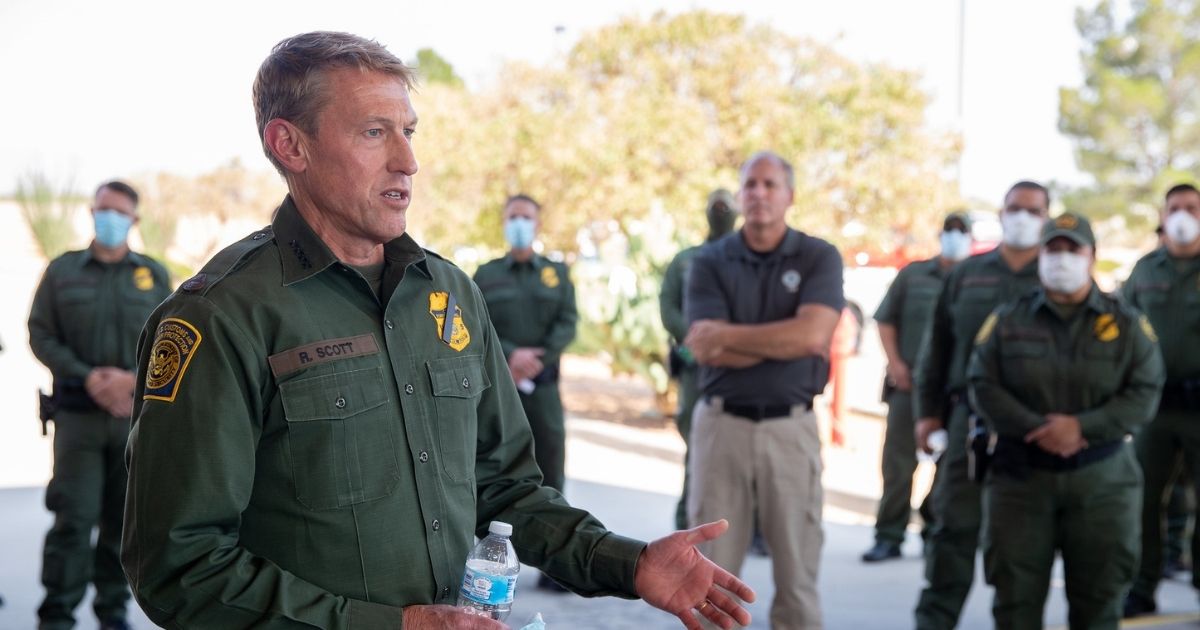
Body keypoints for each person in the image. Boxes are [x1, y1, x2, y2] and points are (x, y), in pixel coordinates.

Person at [120, 31, 754, 630]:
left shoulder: (449, 296)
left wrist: (630, 563)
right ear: (291, 145)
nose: (408, 161)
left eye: (409, 131)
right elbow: (180, 567)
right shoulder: (221, 316)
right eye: (374, 133)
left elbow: (505, 486)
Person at [969, 212, 1164, 630]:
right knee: (1014, 605)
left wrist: (1081, 427)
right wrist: (1036, 428)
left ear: (1091, 256)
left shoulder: (1127, 323)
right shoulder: (1008, 320)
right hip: (1021, 481)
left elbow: (1146, 390)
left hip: (1103, 483)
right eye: (1052, 249)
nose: (1061, 259)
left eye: (1071, 249)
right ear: (1039, 256)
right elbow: (981, 383)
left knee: (1099, 605)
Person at [684, 150, 843, 629]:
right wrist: (786, 339)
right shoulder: (709, 260)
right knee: (709, 581)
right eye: (750, 184)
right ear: (739, 195)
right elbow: (703, 349)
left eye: (770, 184)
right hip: (721, 427)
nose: (759, 193)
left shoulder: (819, 256)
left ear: (789, 195)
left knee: (797, 579)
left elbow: (814, 335)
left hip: (790, 430)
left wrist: (730, 336)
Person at [28, 180, 171, 630]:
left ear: (134, 220)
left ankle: (113, 615)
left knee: (121, 524)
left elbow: (169, 340)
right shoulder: (62, 271)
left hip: (133, 419)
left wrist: (131, 381)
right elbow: (40, 333)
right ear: (92, 213)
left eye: (119, 212)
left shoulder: (153, 274)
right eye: (102, 210)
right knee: (73, 519)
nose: (108, 218)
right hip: (78, 419)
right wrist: (89, 377)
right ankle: (57, 617)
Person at [912, 181, 1050, 629]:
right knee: (952, 530)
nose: (1022, 217)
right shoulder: (967, 274)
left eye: (1033, 210)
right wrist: (926, 413)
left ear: (1046, 217)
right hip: (966, 420)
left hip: (1030, 428)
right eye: (1015, 208)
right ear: (1002, 212)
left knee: (1018, 545)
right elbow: (937, 349)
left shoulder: (1058, 275)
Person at [473, 194, 577, 591]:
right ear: (503, 222)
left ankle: (557, 564)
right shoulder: (486, 273)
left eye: (526, 217)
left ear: (537, 224)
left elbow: (568, 322)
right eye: (513, 216)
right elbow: (474, 322)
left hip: (544, 389)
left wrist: (538, 357)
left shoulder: (555, 274)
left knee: (551, 469)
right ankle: (486, 560)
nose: (519, 222)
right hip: (499, 389)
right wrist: (511, 354)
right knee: (492, 466)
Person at [861, 211, 972, 563]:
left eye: (961, 231)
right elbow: (885, 319)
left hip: (953, 393)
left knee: (951, 466)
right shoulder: (914, 275)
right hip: (909, 386)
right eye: (949, 230)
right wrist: (895, 363)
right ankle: (888, 535)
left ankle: (933, 526)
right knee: (897, 465)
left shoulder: (976, 279)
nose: (954, 236)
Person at [1123, 182, 1200, 617]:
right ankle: (1141, 585)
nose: (1183, 214)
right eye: (1175, 207)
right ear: (1164, 215)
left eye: (1192, 207)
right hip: (1154, 408)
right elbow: (1124, 329)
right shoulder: (1145, 270)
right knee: (1143, 499)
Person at [659, 189, 738, 532]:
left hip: (740, 368)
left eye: (727, 207)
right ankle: (687, 523)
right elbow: (668, 306)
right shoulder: (685, 260)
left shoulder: (750, 259)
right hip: (696, 369)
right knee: (697, 445)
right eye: (715, 206)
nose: (720, 211)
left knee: (745, 447)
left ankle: (750, 529)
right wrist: (695, 339)